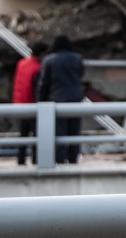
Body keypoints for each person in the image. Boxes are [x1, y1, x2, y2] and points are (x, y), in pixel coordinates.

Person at [37, 35, 85, 164]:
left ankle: (60, 158)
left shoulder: (49, 60)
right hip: (76, 99)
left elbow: (44, 82)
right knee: (75, 130)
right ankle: (73, 157)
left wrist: (41, 99)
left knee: (59, 131)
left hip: (57, 99)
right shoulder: (77, 58)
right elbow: (80, 75)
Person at [12, 41, 48, 165]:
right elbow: (37, 89)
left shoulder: (21, 63)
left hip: (20, 104)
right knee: (37, 135)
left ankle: (21, 159)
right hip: (32, 105)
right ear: (42, 54)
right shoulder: (38, 68)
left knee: (23, 134)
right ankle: (36, 159)